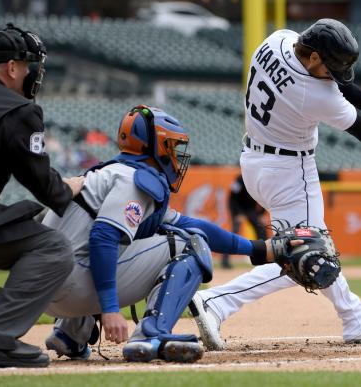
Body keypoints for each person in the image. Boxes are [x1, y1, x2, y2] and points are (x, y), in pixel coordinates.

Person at [192, 18, 361, 350]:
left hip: (254, 161)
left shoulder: (278, 40)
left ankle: (355, 317)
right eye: (329, 67)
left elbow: (339, 83)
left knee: (311, 252)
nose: (333, 75)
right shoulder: (313, 93)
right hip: (290, 171)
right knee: (305, 254)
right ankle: (217, 301)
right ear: (316, 57)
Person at [42, 105, 300, 363]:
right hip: (74, 284)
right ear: (156, 147)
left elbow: (192, 223)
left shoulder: (108, 173)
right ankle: (151, 334)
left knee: (172, 235)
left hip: (45, 290)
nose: (176, 155)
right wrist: (110, 310)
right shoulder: (135, 181)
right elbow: (103, 238)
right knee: (190, 244)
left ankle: (71, 333)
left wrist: (259, 249)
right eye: (172, 146)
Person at [0, 24, 85, 368]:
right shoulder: (16, 109)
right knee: (53, 247)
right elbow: (45, 187)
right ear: (12, 68)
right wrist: (69, 187)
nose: (30, 74)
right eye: (27, 66)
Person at [223, 174, 267, 268]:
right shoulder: (239, 179)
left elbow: (263, 197)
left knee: (262, 230)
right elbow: (232, 198)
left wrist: (261, 214)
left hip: (251, 210)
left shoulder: (258, 178)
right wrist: (237, 214)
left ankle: (264, 260)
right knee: (233, 234)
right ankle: (225, 261)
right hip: (238, 209)